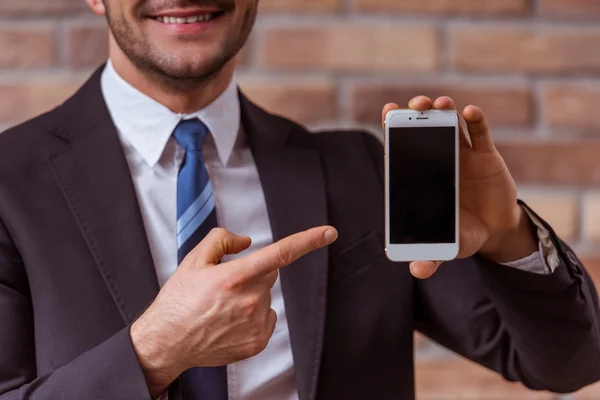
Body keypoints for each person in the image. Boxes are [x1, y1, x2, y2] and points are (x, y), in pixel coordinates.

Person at [0, 0, 598, 399]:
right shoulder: (9, 184)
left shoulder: (360, 171)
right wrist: (155, 352)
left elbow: (568, 362)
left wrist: (509, 237)